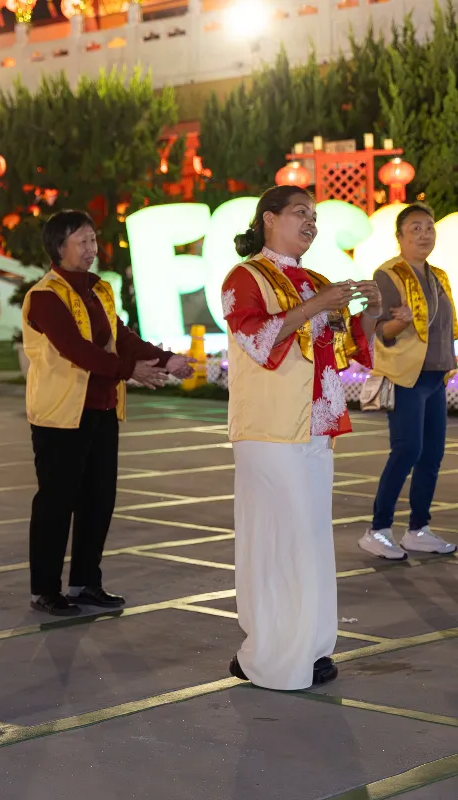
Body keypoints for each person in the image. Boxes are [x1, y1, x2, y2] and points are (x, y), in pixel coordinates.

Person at [222, 185, 381, 690]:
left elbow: (347, 348)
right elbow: (257, 339)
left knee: (310, 538)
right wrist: (317, 306)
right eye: (299, 213)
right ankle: (268, 651)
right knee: (276, 537)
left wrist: (373, 314)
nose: (310, 223)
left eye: (314, 216)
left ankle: (311, 647)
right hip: (269, 427)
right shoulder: (243, 277)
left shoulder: (314, 280)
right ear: (269, 219)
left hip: (315, 423)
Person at [22, 210, 194, 616]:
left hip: (101, 409)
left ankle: (85, 582)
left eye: (93, 240)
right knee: (56, 503)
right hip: (60, 415)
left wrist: (165, 360)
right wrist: (129, 371)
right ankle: (45, 589)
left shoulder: (98, 290)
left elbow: (122, 338)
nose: (91, 249)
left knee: (98, 501)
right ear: (58, 247)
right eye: (81, 241)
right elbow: (75, 350)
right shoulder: (46, 296)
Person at [359, 203, 457, 560]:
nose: (424, 234)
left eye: (429, 227)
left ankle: (418, 530)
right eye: (414, 228)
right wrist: (399, 321)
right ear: (399, 236)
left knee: (432, 455)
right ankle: (378, 529)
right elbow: (380, 331)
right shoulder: (389, 274)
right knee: (407, 450)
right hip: (405, 376)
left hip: (435, 375)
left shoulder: (440, 275)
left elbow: (445, 327)